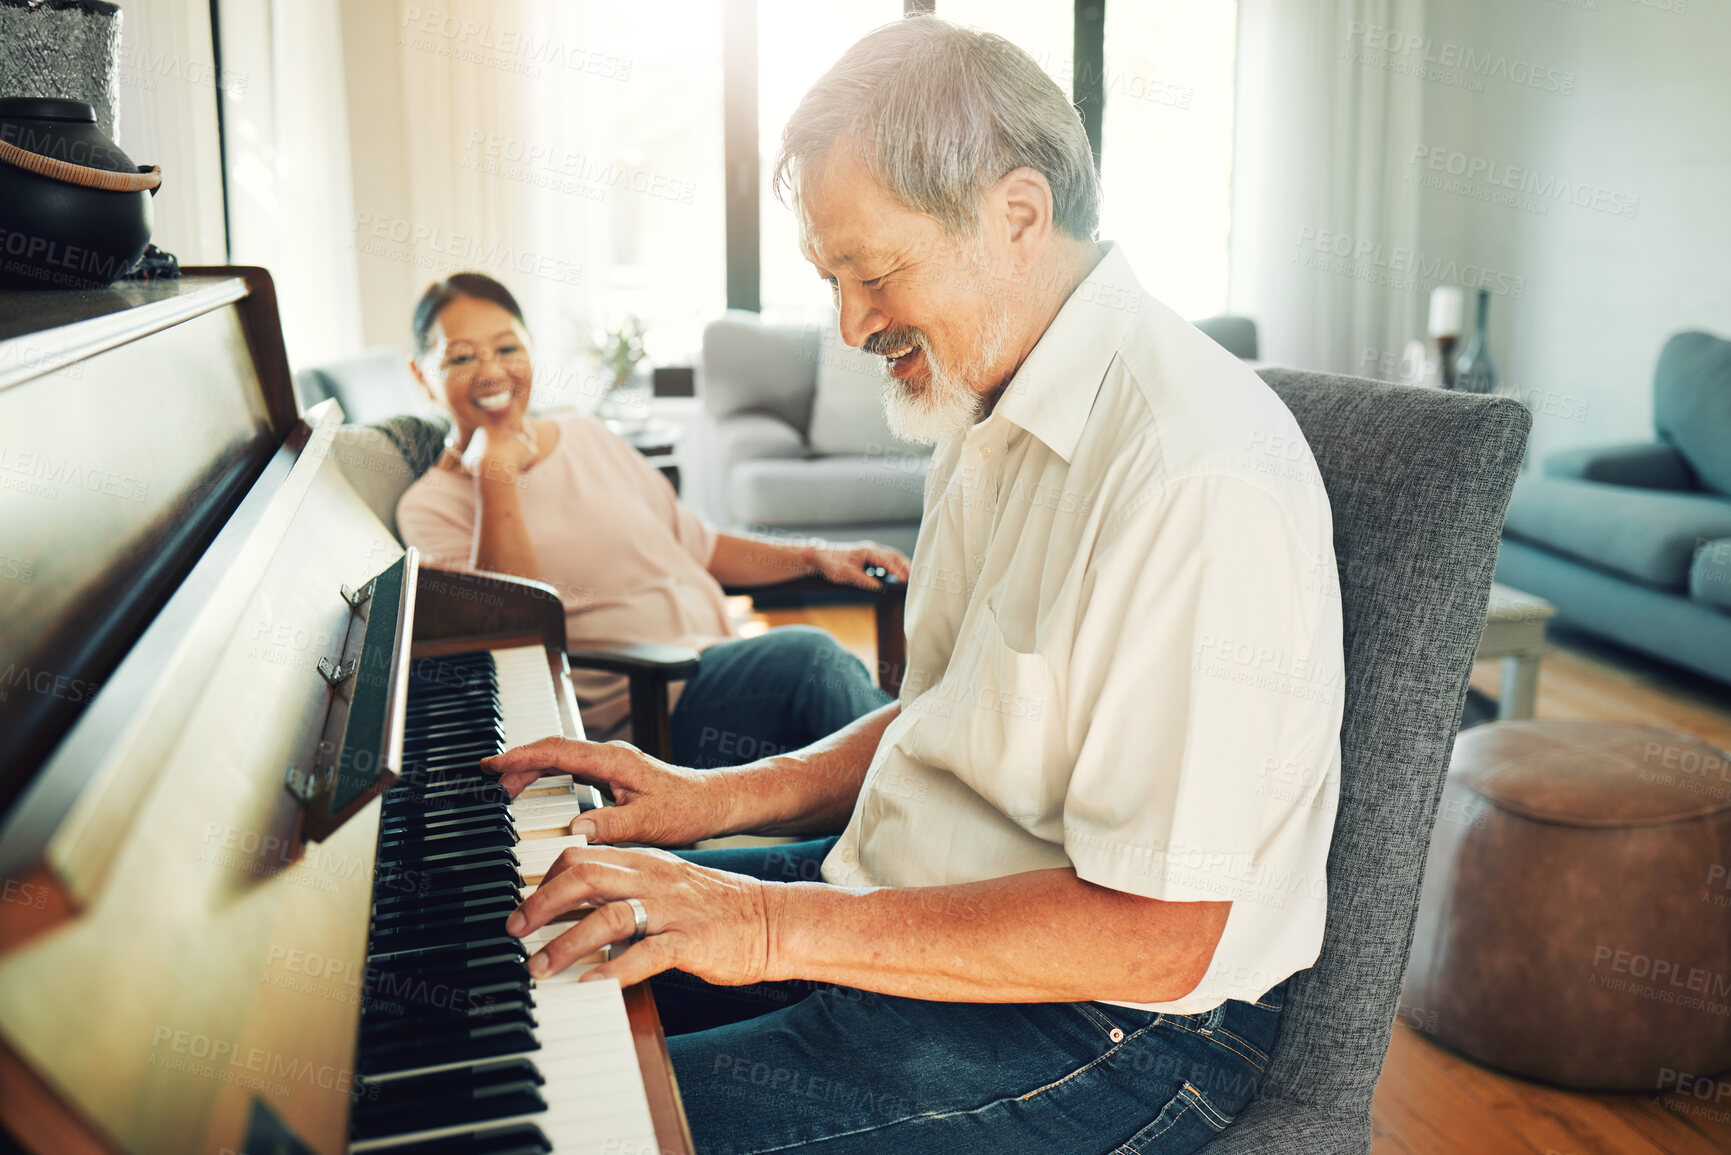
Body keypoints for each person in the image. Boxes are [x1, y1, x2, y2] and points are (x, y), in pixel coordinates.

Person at [484, 16, 1345, 1155]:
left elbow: (1160, 939)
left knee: (556, 1133)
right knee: (507, 979)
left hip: (1110, 1024)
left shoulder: (1191, 475)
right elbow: (956, 710)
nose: (848, 323)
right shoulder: (989, 400)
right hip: (920, 887)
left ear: (1018, 217)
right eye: (830, 277)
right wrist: (714, 799)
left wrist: (763, 919)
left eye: (874, 270)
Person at [395, 271, 910, 767]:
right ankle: (915, 800)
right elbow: (513, 633)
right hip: (645, 713)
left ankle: (890, 810)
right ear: (420, 375)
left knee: (840, 744)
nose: (491, 370)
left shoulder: (586, 435)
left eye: (508, 348)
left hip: (716, 667)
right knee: (810, 660)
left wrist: (816, 554)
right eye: (461, 357)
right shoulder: (429, 507)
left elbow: (700, 546)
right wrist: (495, 472)